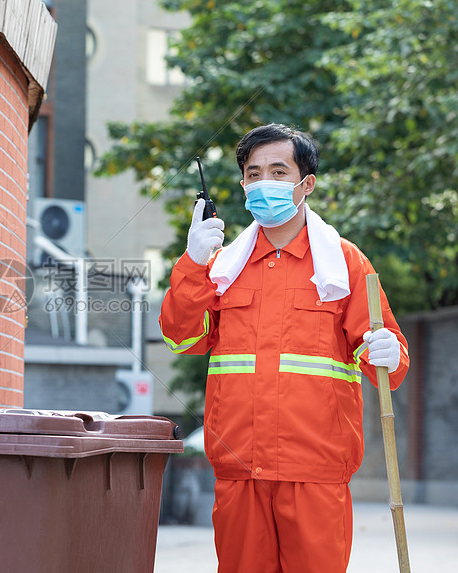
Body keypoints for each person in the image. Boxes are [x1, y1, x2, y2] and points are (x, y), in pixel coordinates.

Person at [160, 123, 409, 572]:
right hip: (239, 466)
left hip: (314, 470)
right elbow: (183, 336)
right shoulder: (220, 268)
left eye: (278, 171)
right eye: (253, 174)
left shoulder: (344, 264)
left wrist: (388, 353)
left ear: (305, 183)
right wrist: (193, 263)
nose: (263, 183)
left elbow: (380, 357)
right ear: (242, 184)